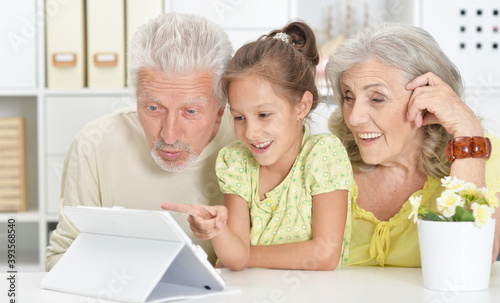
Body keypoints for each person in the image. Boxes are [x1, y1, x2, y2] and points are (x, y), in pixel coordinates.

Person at [45, 12, 234, 271]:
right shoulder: (94, 144)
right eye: (153, 108)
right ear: (136, 99)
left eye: (190, 112)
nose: (168, 136)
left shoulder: (249, 143)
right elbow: (59, 259)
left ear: (220, 110)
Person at [163, 21, 352, 271]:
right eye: (239, 117)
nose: (250, 133)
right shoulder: (236, 161)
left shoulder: (324, 154)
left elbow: (324, 254)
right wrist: (218, 230)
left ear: (301, 107)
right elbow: (234, 256)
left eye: (264, 115)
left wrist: (244, 257)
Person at [325, 22, 500, 267]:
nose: (354, 118)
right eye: (348, 97)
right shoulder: (325, 161)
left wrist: (467, 131)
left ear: (427, 99)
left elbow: (470, 263)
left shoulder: (481, 153)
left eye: (377, 98)